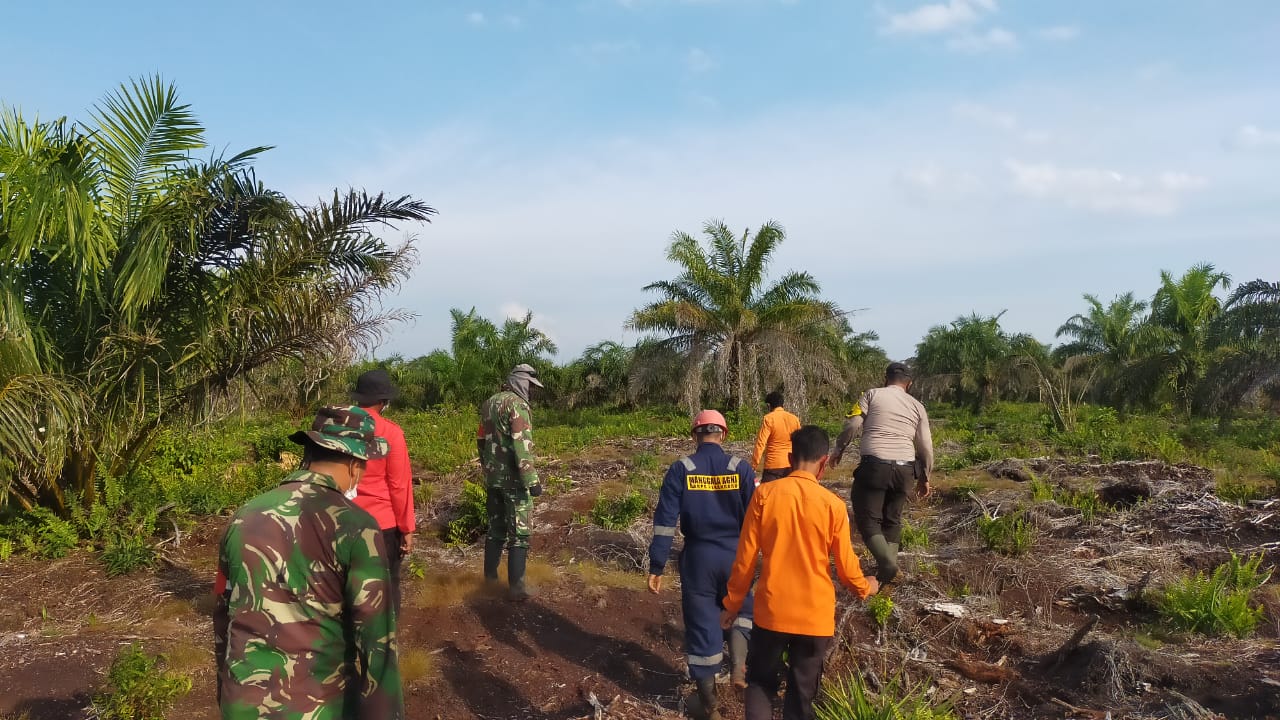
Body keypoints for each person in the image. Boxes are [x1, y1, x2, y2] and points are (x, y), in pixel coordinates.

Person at [214, 405, 402, 719]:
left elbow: (223, 612)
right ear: (355, 465)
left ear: (309, 451)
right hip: (317, 706)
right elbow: (376, 641)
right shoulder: (356, 526)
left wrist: (226, 690)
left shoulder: (244, 515)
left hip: (242, 702)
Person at [721, 425, 878, 720]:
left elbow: (745, 559)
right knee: (802, 695)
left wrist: (732, 604)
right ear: (823, 463)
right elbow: (846, 568)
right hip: (815, 617)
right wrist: (866, 586)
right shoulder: (833, 505)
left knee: (760, 683)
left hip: (772, 612)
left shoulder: (765, 495)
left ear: (790, 458)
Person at [648, 410, 757, 720]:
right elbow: (757, 518)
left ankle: (708, 707)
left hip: (698, 557)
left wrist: (657, 565)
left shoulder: (681, 469)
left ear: (695, 435)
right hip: (736, 554)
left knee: (702, 624)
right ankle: (738, 667)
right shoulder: (741, 468)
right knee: (742, 610)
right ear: (723, 435)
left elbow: (665, 522)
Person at [829, 361, 934, 585]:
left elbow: (853, 425)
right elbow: (925, 446)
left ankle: (888, 565)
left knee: (867, 519)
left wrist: (838, 450)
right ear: (910, 383)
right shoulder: (917, 406)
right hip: (906, 469)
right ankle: (886, 574)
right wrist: (925, 477)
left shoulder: (871, 395)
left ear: (885, 378)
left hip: (875, 465)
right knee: (892, 520)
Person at [351, 368, 415, 614]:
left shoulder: (336, 426)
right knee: (387, 586)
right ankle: (383, 644)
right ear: (383, 401)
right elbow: (399, 486)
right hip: (382, 523)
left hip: (340, 519)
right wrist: (407, 528)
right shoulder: (391, 432)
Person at [479, 363, 545, 600]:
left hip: (493, 479)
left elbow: (481, 440)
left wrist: (487, 467)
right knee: (520, 534)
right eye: (529, 385)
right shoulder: (517, 405)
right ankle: (516, 589)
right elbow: (522, 444)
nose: (531, 390)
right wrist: (531, 480)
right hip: (515, 482)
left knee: (496, 530)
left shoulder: (489, 403)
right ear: (520, 382)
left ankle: (490, 582)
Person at [752, 390, 801, 483]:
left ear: (769, 406)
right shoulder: (794, 419)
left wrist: (753, 466)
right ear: (782, 404)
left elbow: (760, 444)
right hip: (791, 465)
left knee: (769, 495)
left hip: (773, 466)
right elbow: (800, 443)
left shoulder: (768, 418)